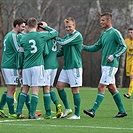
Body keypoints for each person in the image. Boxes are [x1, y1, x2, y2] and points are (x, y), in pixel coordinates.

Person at [83, 12, 127, 118]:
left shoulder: (115, 33)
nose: (100, 22)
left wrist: (114, 56)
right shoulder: (104, 34)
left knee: (101, 86)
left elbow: (124, 46)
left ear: (109, 21)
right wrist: (83, 47)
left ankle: (93, 110)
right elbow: (96, 47)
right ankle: (122, 111)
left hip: (111, 65)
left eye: (103, 20)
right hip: (104, 66)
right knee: (112, 88)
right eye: (100, 20)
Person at [16, 17, 58, 119]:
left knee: (25, 88)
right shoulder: (41, 35)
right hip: (37, 66)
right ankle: (32, 113)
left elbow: (20, 55)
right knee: (35, 90)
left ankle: (18, 111)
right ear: (36, 26)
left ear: (27, 26)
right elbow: (55, 33)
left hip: (26, 67)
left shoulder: (23, 38)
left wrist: (20, 67)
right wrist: (46, 26)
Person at [56, 17, 83, 119]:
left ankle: (77, 114)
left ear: (74, 26)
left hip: (75, 67)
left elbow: (63, 43)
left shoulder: (77, 35)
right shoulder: (67, 36)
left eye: (70, 26)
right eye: (66, 27)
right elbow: (61, 51)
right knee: (59, 86)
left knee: (75, 90)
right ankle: (67, 108)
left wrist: (54, 36)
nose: (68, 29)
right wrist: (50, 54)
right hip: (66, 67)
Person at [0, 18, 26, 118]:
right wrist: (29, 49)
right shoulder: (13, 35)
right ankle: (12, 113)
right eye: (22, 26)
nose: (23, 29)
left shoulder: (8, 35)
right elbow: (18, 49)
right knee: (12, 89)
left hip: (8, 65)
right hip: (10, 65)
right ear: (17, 26)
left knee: (10, 89)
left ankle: (0, 108)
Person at [37, 22, 62, 118]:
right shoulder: (53, 36)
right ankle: (57, 105)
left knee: (46, 89)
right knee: (50, 87)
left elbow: (46, 52)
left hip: (47, 65)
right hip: (55, 65)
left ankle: (48, 112)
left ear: (40, 28)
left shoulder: (44, 38)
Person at [123, 28, 133, 99]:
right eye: (129, 32)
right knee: (130, 78)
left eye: (132, 32)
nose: (130, 34)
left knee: (132, 77)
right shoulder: (126, 41)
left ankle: (129, 93)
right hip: (128, 61)